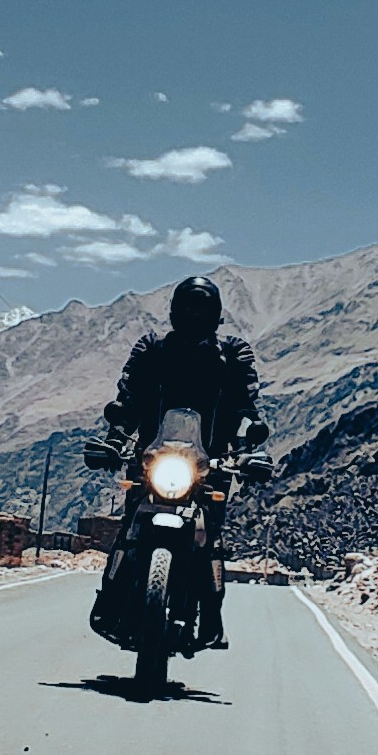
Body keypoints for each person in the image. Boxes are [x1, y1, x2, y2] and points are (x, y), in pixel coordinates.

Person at [95, 274, 264, 645]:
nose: (194, 316)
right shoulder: (152, 349)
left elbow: (248, 405)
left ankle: (211, 615)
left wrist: (252, 449)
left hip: (212, 463)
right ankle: (111, 602)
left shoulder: (234, 354)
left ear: (215, 315)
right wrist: (113, 440)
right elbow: (128, 399)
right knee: (130, 529)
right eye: (188, 308)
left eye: (201, 309)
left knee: (210, 537)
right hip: (151, 459)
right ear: (174, 312)